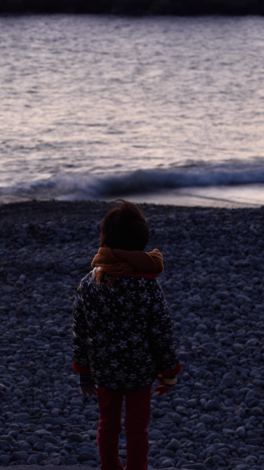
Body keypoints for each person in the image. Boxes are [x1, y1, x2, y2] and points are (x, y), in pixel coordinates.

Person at [72, 200, 182, 470]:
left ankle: (109, 466)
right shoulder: (148, 286)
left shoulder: (89, 283)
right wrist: (169, 372)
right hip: (140, 371)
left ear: (105, 241)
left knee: (107, 424)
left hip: (105, 370)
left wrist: (83, 371)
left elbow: (80, 330)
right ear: (142, 244)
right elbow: (161, 331)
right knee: (137, 428)